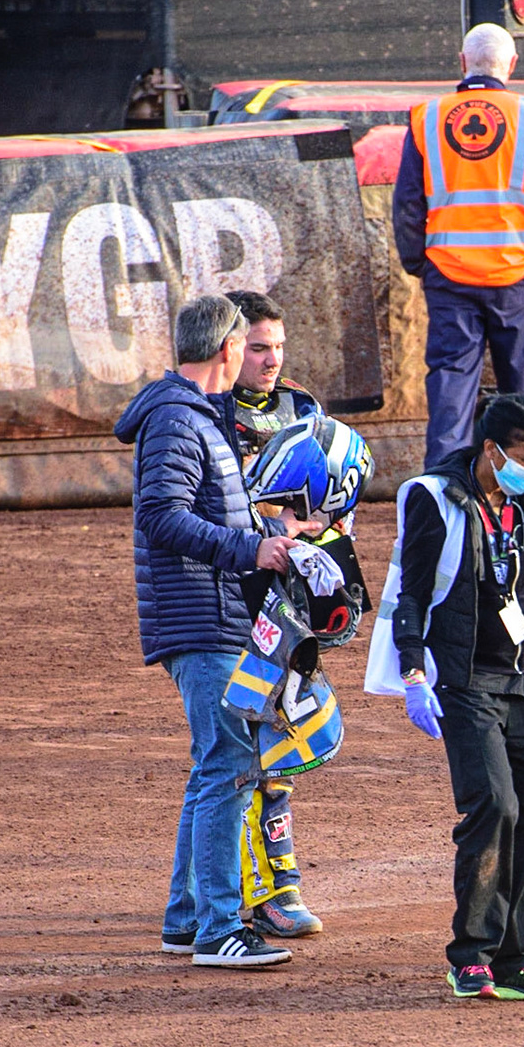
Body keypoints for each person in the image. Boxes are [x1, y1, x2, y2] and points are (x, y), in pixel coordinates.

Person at [365, 396, 524, 999]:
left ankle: (512, 962)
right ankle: (470, 956)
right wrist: (413, 674)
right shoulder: (435, 499)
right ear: (491, 450)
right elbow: (412, 593)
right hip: (465, 679)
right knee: (496, 807)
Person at [114, 293, 312, 969]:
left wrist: (272, 535)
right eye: (247, 345)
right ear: (227, 348)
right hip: (200, 618)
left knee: (214, 767)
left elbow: (201, 512)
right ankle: (222, 928)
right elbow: (162, 517)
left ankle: (187, 917)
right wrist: (248, 551)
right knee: (228, 767)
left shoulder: (191, 415)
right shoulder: (177, 418)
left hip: (211, 612)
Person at [392, 22, 524, 470]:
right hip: (516, 274)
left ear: (462, 62)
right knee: (523, 387)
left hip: (449, 275)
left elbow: (408, 204)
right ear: (511, 64)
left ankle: (444, 491)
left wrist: (420, 263)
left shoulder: (426, 117)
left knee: (451, 387)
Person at [225, 289, 327, 940]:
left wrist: (324, 528)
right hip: (229, 597)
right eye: (257, 348)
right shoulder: (207, 411)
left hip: (288, 598)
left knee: (282, 741)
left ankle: (279, 879)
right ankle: (261, 891)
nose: (269, 360)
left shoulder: (303, 407)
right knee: (240, 748)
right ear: (232, 348)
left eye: (277, 348)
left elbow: (331, 488)